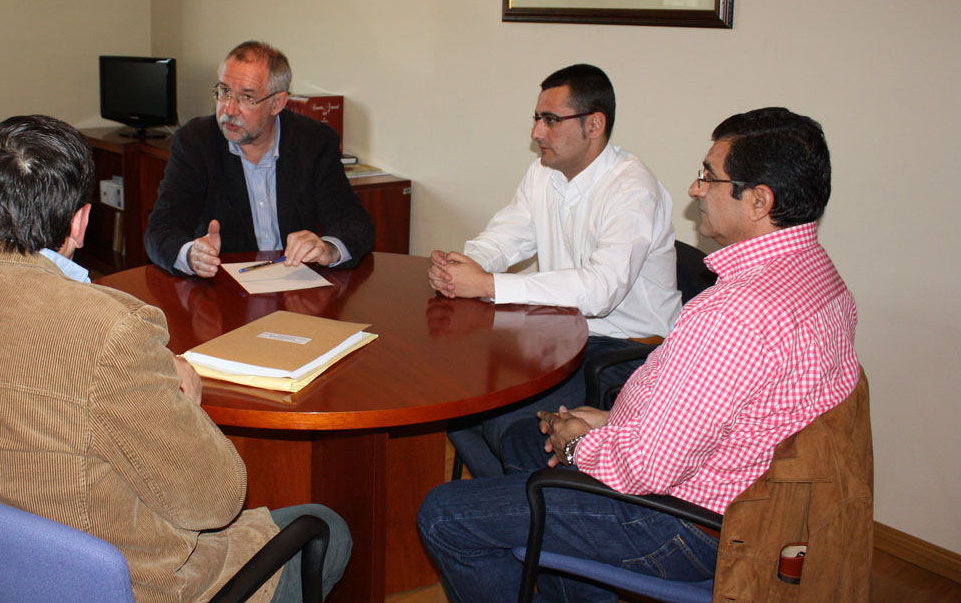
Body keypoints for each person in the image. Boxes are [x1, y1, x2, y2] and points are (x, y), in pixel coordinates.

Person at [0, 115, 350, 603]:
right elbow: (215, 502)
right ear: (81, 221)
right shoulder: (108, 330)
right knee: (327, 527)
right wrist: (188, 403)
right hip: (117, 584)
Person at [417, 108, 862, 603]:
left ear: (759, 200)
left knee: (444, 514)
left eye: (709, 177)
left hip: (682, 526)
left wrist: (578, 446)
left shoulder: (737, 313)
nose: (695, 190)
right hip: (740, 497)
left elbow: (643, 471)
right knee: (525, 438)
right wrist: (611, 420)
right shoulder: (820, 279)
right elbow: (718, 415)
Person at [432, 64, 681, 477]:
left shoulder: (633, 189)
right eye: (536, 118)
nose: (536, 133)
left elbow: (601, 291)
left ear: (594, 124)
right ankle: (512, 505)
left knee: (512, 424)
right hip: (561, 332)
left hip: (626, 348)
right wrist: (465, 264)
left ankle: (543, 509)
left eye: (551, 120)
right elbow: (507, 236)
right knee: (456, 402)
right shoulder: (543, 173)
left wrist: (488, 284)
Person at [145, 41, 374, 278]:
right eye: (224, 92)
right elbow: (161, 228)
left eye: (246, 97)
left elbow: (354, 223)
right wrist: (191, 255)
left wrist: (329, 249)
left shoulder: (314, 142)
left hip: (295, 287)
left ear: (277, 103)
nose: (229, 109)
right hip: (224, 292)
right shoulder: (196, 142)